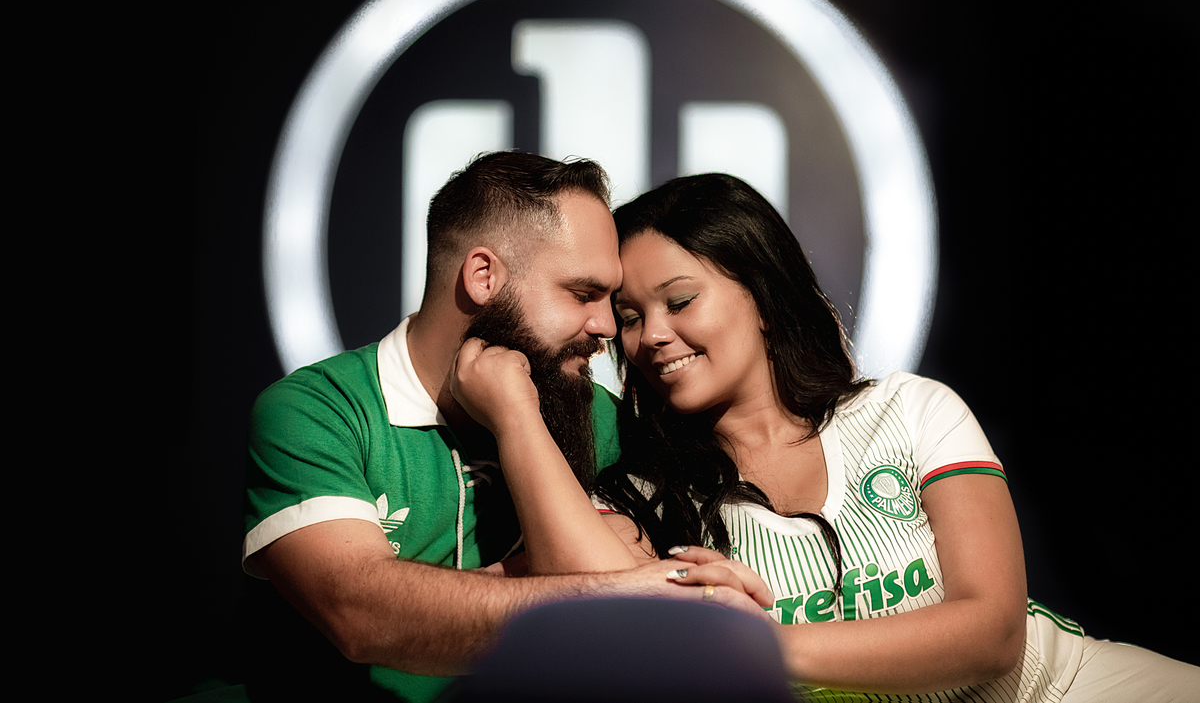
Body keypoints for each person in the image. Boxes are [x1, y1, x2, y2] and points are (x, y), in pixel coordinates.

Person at [455, 173, 1200, 701]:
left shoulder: (910, 409)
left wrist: (757, 647)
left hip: (1071, 686)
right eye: (628, 315)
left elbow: (992, 630)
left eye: (680, 300)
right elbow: (605, 626)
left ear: (766, 301)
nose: (652, 335)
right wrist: (517, 414)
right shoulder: (648, 497)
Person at [240, 153, 772, 703]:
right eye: (582, 294)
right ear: (483, 276)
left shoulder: (602, 418)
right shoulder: (318, 412)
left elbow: (623, 649)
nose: (608, 327)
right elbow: (361, 614)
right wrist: (598, 590)